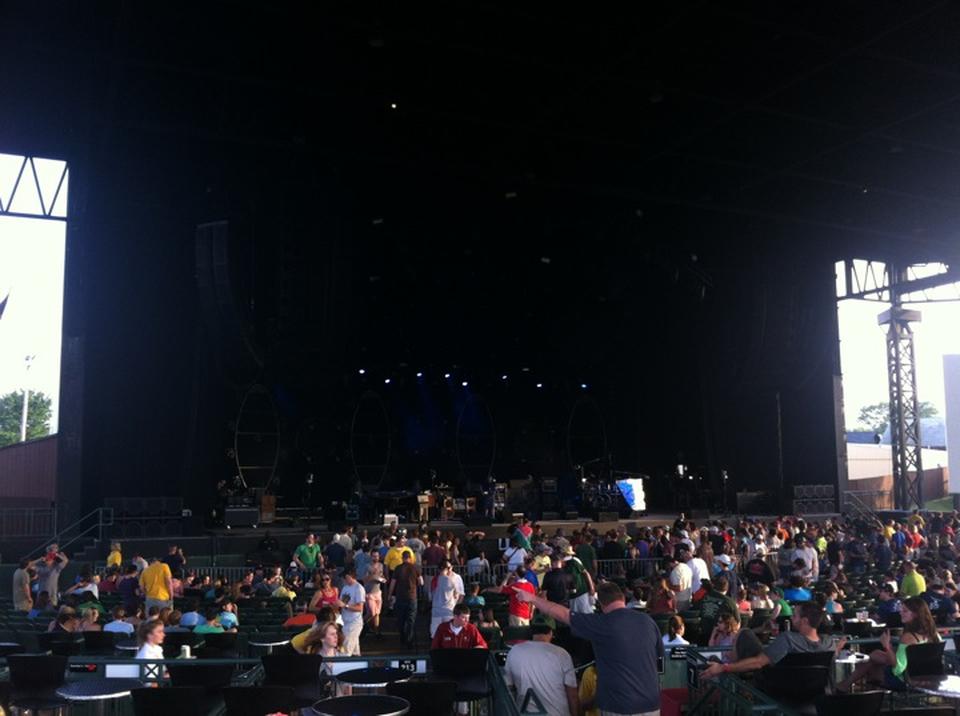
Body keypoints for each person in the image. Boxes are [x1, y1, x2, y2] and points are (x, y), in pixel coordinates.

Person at [515, 581, 663, 716]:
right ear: (622, 598)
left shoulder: (601, 624)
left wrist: (532, 598)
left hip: (619, 707)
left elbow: (562, 614)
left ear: (601, 604)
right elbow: (660, 663)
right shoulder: (648, 621)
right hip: (652, 704)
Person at [702, 602, 843, 680]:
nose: (791, 618)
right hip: (813, 693)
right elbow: (828, 654)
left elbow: (758, 663)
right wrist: (838, 648)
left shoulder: (788, 639)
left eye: (795, 616)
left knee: (745, 633)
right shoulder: (829, 644)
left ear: (805, 621)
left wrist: (723, 668)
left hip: (780, 689)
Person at [836, 596, 941, 692]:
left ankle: (852, 689)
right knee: (875, 655)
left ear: (916, 614)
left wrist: (887, 646)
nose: (900, 613)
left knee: (873, 666)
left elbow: (898, 669)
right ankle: (849, 686)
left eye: (905, 611)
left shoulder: (909, 637)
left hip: (907, 680)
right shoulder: (934, 634)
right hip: (929, 678)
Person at [504, 613, 577, 716]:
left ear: (531, 631)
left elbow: (508, 689)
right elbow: (572, 695)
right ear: (551, 632)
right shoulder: (562, 654)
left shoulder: (514, 651)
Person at [387, 550, 422, 649]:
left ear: (402, 558)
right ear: (410, 558)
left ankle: (402, 637)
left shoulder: (398, 568)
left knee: (401, 619)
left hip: (400, 597)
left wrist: (390, 595)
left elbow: (393, 583)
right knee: (411, 620)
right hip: (412, 597)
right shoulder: (415, 568)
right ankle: (409, 640)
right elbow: (421, 582)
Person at [431, 559, 465, 637]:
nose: (449, 570)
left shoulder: (455, 577)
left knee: (445, 634)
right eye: (447, 568)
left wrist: (457, 609)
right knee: (440, 634)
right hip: (440, 611)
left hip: (448, 611)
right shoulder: (439, 579)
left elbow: (461, 594)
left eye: (450, 567)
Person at [338, 567, 366, 656]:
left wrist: (345, 605)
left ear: (350, 576)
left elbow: (360, 608)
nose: (344, 579)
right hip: (345, 621)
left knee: (346, 650)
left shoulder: (359, 588)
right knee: (355, 651)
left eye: (345, 577)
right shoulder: (345, 587)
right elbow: (341, 602)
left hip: (354, 623)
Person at [363, 551, 385, 638]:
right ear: (371, 557)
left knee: (377, 613)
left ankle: (376, 632)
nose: (375, 558)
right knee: (372, 612)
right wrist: (372, 576)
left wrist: (382, 578)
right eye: (374, 556)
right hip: (369, 592)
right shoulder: (367, 566)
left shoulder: (381, 565)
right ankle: (362, 623)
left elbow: (382, 576)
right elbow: (364, 579)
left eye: (377, 556)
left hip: (378, 591)